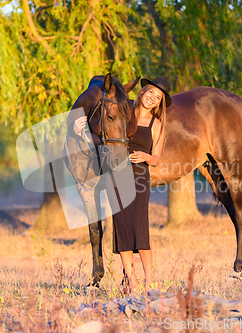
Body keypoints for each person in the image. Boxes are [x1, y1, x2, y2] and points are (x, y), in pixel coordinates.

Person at [74, 77, 171, 293]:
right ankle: (131, 280)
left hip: (139, 177)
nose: (152, 99)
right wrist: (84, 130)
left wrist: (146, 156)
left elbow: (157, 158)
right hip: (116, 175)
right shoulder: (125, 111)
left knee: (140, 229)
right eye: (150, 93)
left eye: (157, 98)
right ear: (143, 91)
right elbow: (105, 134)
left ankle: (149, 281)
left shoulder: (157, 124)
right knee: (122, 229)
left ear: (159, 103)